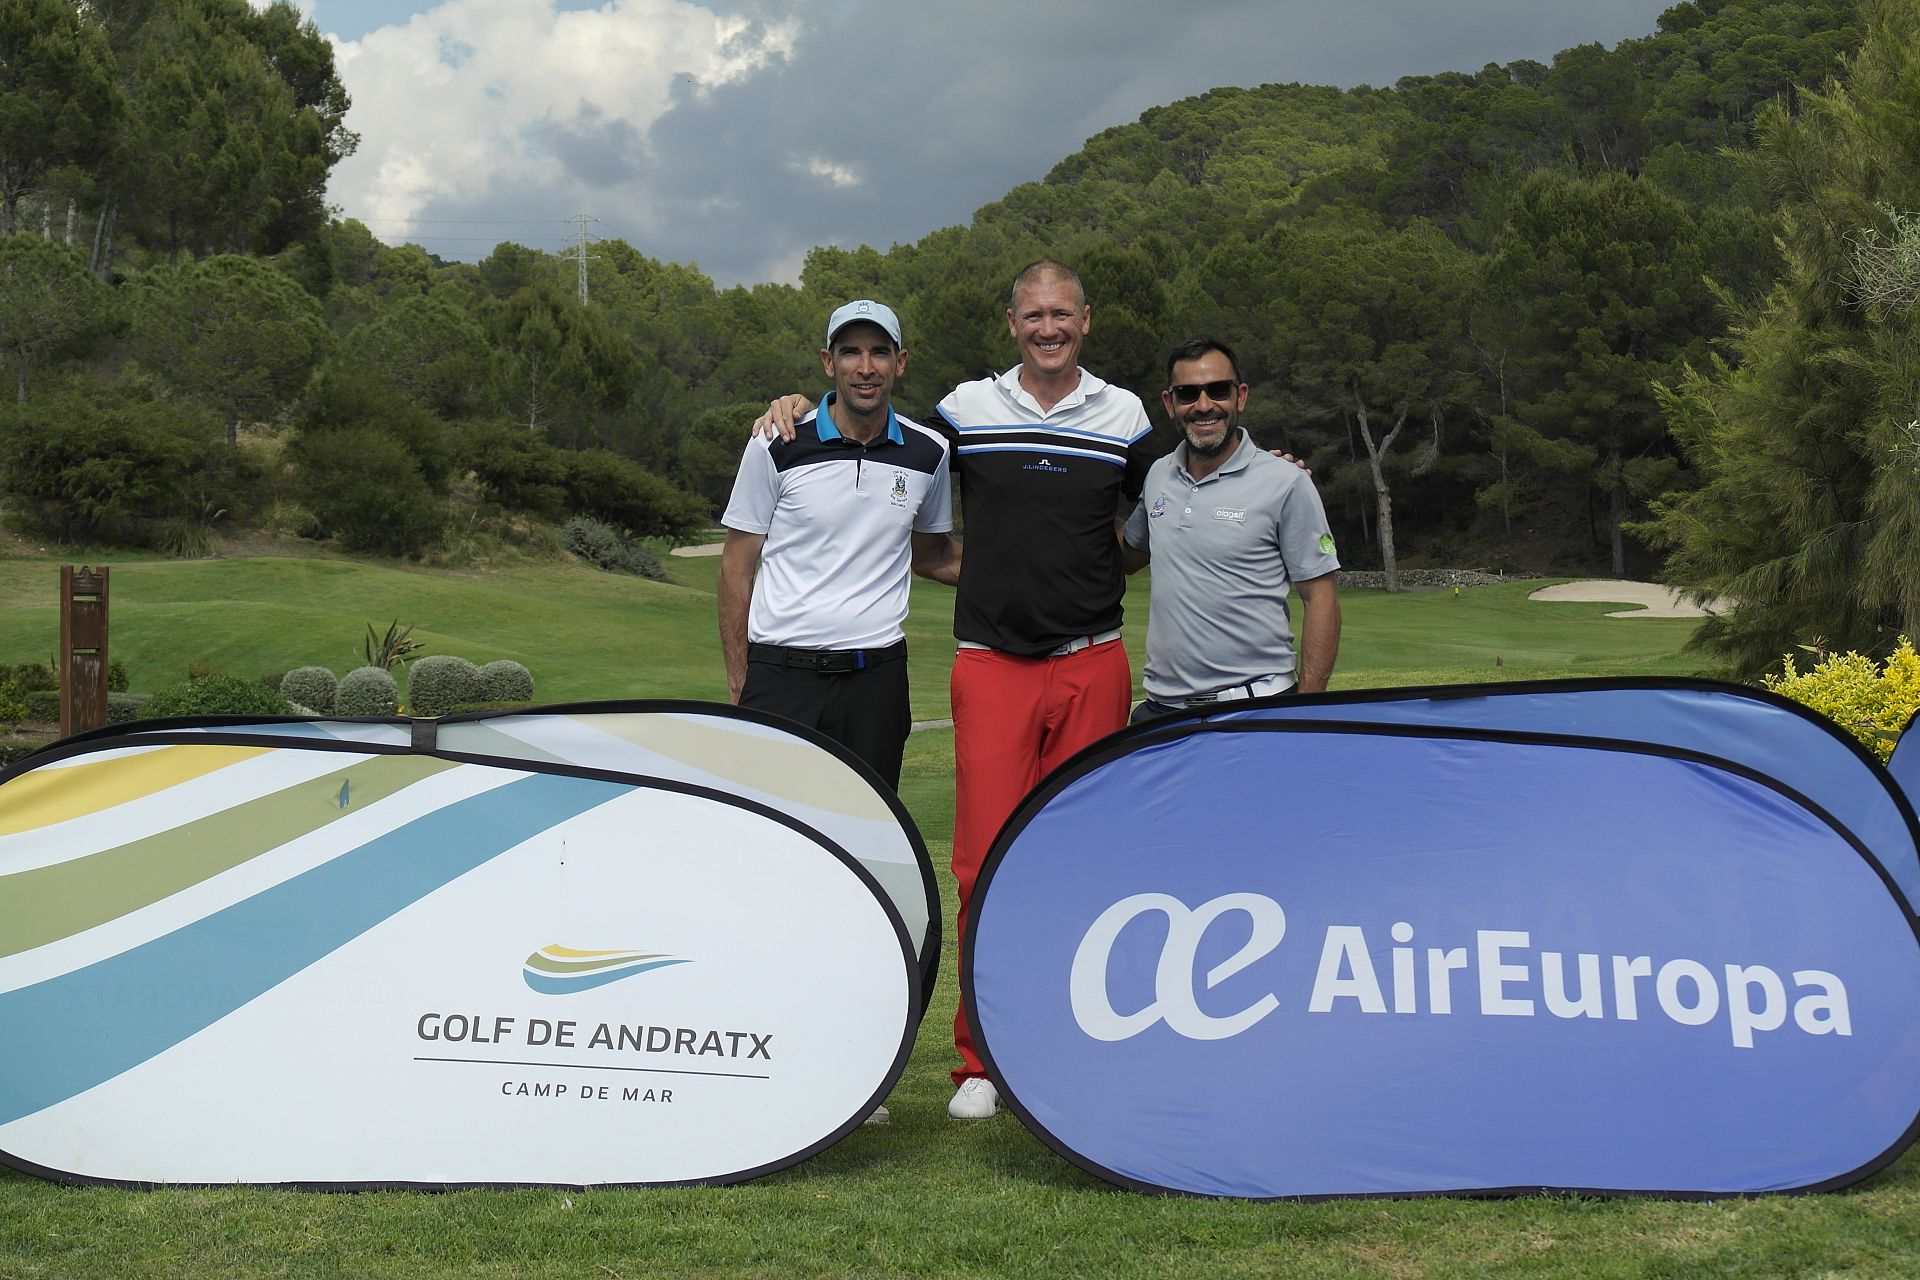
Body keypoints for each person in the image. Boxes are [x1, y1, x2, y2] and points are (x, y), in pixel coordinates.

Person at [756, 262, 1157, 1119]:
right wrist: (790, 404)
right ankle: (980, 1058)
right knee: (980, 862)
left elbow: (1165, 504)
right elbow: (873, 430)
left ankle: (1073, 1040)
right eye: (1032, 314)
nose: (1048, 327)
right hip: (992, 663)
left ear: (1087, 319)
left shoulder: (1127, 415)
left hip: (1094, 660)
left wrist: (1264, 460)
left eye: (1062, 314)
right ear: (1011, 322)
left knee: (1081, 856)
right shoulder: (964, 414)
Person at [718, 299, 960, 794]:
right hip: (780, 677)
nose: (865, 368)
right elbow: (736, 568)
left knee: (870, 833)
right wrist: (742, 681)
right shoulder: (776, 441)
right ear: (829, 362)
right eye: (850, 352)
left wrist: (1033, 575)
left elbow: (932, 555)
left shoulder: (928, 451)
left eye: (879, 352)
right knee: (773, 832)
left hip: (877, 682)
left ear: (901, 361)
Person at [1121, 338, 1340, 719]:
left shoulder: (1285, 481)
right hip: (1161, 710)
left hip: (1256, 708)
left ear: (1240, 397)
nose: (1203, 406)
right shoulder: (1158, 475)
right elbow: (1129, 555)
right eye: (1188, 393)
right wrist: (1078, 496)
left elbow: (1320, 598)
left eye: (1217, 390)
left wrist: (1307, 709)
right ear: (1170, 403)